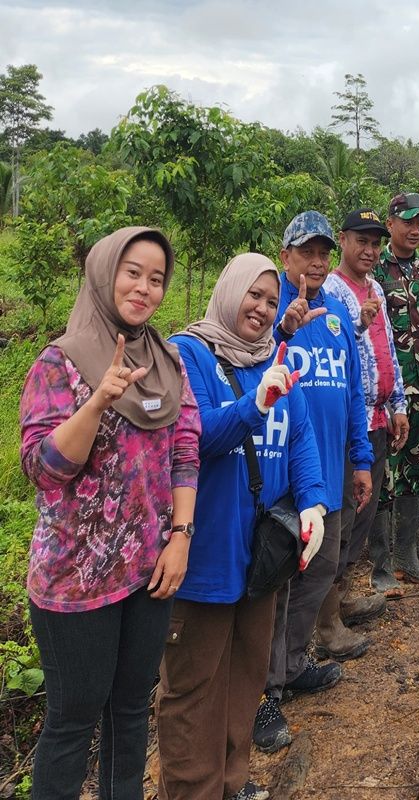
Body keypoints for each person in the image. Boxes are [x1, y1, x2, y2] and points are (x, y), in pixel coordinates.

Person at [19, 227, 200, 799]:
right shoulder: (61, 362)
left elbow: (185, 450)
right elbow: (45, 468)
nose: (144, 289)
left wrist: (181, 537)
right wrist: (97, 399)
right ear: (104, 273)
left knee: (128, 713)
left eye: (156, 279)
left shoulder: (167, 360)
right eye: (132, 273)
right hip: (74, 583)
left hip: (147, 571)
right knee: (73, 721)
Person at [158, 254, 327, 800]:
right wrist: (252, 406)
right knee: (194, 686)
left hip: (261, 556)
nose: (261, 308)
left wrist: (314, 503)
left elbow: (300, 437)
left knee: (246, 676)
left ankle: (230, 782)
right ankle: (190, 790)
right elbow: (196, 437)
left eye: (271, 300)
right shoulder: (190, 355)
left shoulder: (274, 356)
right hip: (205, 552)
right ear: (228, 290)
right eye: (253, 295)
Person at [254, 210, 373, 753]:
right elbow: (253, 371)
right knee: (277, 583)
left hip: (331, 470)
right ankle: (264, 691)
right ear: (286, 256)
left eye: (324, 253)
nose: (318, 262)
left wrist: (362, 458)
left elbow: (351, 393)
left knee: (320, 570)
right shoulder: (265, 307)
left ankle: (294, 663)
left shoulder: (335, 319)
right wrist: (282, 327)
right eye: (308, 252)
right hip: (281, 476)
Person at [323, 208, 409, 645]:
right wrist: (358, 323)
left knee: (361, 516)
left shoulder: (374, 286)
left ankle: (340, 598)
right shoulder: (331, 290)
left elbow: (388, 351)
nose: (370, 250)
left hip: (377, 419)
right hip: (345, 425)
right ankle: (324, 620)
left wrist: (398, 403)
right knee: (339, 518)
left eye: (375, 243)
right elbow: (341, 352)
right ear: (343, 240)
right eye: (362, 241)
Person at [374, 192, 419, 588]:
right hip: (385, 393)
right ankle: (379, 566)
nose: (414, 229)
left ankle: (407, 556)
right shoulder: (374, 273)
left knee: (415, 471)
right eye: (407, 221)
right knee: (382, 473)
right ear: (391, 225)